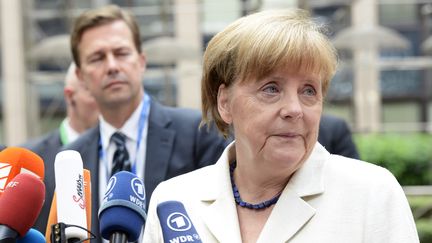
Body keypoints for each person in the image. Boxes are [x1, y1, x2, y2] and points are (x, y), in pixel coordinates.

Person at [143, 9, 419, 243]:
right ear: (224, 102)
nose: (294, 109)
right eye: (271, 88)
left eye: (309, 91)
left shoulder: (372, 193)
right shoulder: (174, 200)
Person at [57, 4, 228, 241]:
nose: (112, 66)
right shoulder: (72, 159)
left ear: (142, 61)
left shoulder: (200, 134)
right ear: (81, 76)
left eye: (121, 53)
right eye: (97, 58)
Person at [23, 62, 99, 233]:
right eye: (93, 92)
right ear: (70, 96)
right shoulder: (30, 160)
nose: (105, 98)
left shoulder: (121, 153)